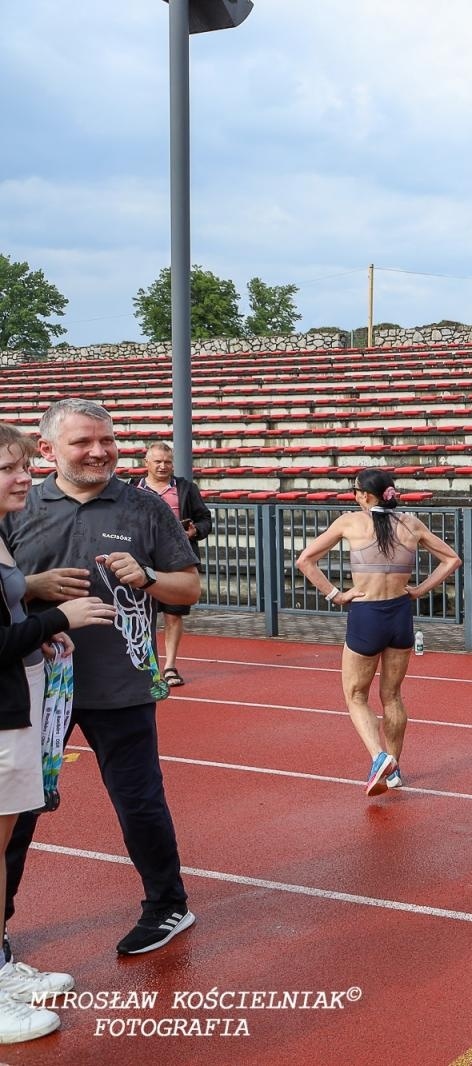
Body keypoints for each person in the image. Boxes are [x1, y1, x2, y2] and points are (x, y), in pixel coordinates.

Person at [1, 399, 201, 957]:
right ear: (47, 451)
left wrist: (151, 576)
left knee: (139, 803)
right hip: (35, 685)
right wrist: (32, 586)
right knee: (15, 813)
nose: (99, 451)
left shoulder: (144, 507)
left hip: (121, 684)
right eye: (83, 442)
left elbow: (188, 590)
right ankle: (1, 930)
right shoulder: (17, 505)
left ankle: (169, 906)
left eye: (107, 440)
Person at [0, 422, 118, 1040]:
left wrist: (41, 626)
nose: (24, 476)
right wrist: (55, 615)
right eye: (9, 468)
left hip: (14, 707)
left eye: (23, 464)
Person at [295, 469, 460, 797]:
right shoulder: (411, 523)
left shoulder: (351, 522)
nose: (353, 496)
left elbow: (305, 561)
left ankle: (379, 756)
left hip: (367, 614)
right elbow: (452, 559)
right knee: (393, 695)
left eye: (355, 491)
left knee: (356, 695)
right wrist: (419, 591)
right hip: (399, 614)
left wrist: (336, 595)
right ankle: (394, 769)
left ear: (366, 496)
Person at [133, 440, 212, 688]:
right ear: (146, 463)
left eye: (167, 462)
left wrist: (193, 532)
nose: (162, 466)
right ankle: (143, 663)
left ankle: (170, 667)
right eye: (157, 461)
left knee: (173, 614)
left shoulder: (186, 488)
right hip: (142, 558)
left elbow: (205, 520)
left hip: (177, 559)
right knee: (139, 614)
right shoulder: (132, 489)